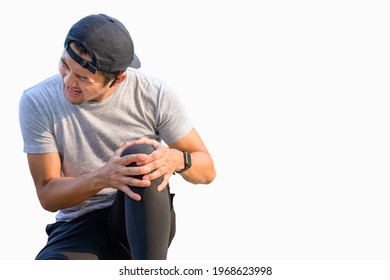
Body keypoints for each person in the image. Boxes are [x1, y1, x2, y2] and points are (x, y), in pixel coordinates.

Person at [18, 13, 216, 260]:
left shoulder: (155, 95)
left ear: (117, 79)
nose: (68, 81)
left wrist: (177, 160)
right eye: (65, 65)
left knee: (140, 157)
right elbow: (48, 195)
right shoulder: (38, 101)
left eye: (83, 77)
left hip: (142, 216)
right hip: (79, 226)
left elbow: (207, 171)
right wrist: (104, 177)